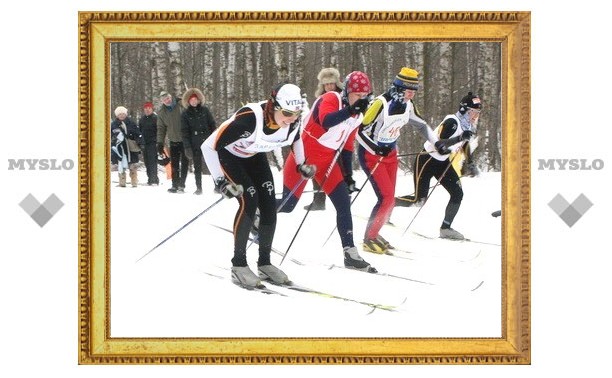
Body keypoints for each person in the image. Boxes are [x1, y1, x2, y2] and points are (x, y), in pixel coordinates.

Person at [202, 83, 315, 288]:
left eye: (296, 113)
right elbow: (208, 146)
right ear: (274, 106)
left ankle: (264, 263)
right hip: (230, 157)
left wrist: (301, 164)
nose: (291, 119)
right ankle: (239, 265)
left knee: (270, 205)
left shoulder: (293, 121)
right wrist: (220, 181)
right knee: (250, 200)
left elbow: (296, 138)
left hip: (254, 156)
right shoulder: (249, 119)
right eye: (287, 113)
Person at [277, 71, 377, 273]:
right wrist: (351, 110)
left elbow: (347, 144)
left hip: (327, 163)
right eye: (357, 94)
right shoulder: (331, 98)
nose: (361, 98)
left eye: (364, 95)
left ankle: (350, 253)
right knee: (288, 205)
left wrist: (348, 175)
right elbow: (326, 120)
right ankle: (257, 211)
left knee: (343, 203)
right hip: (303, 158)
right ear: (348, 90)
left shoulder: (357, 114)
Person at [356, 67, 440, 254]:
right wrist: (376, 148)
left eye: (414, 91)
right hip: (371, 155)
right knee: (385, 198)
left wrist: (437, 143)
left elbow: (421, 125)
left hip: (391, 155)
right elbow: (359, 130)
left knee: (390, 200)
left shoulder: (408, 105)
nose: (411, 95)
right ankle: (368, 239)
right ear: (399, 88)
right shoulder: (381, 103)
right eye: (409, 91)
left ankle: (375, 233)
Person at [395, 92, 482, 240]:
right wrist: (460, 137)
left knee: (457, 194)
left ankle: (446, 229)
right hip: (427, 160)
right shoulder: (452, 122)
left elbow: (465, 145)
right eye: (473, 112)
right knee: (419, 200)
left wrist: (470, 162)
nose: (476, 116)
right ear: (464, 110)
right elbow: (440, 144)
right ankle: (388, 204)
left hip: (443, 163)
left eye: (478, 113)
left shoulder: (467, 125)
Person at [302, 67, 344, 212]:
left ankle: (343, 199)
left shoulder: (341, 98)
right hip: (322, 141)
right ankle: (319, 201)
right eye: (326, 85)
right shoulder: (321, 99)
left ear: (336, 84)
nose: (329, 87)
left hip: (338, 141)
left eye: (331, 84)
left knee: (340, 169)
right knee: (317, 170)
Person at [181, 87, 216, 195]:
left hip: (208, 142)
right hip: (194, 144)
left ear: (199, 100)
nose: (194, 101)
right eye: (191, 100)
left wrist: (215, 138)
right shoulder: (185, 114)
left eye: (195, 99)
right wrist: (187, 147)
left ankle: (218, 185)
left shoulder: (205, 110)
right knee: (197, 167)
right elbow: (184, 132)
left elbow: (212, 124)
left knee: (212, 165)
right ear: (188, 101)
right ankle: (199, 187)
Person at [156, 91, 188, 193]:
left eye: (168, 98)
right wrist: (160, 143)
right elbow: (161, 129)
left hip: (185, 139)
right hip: (173, 141)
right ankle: (175, 184)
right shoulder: (161, 112)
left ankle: (182, 184)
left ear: (171, 97)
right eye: (165, 100)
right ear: (162, 102)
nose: (167, 100)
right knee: (174, 164)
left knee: (184, 163)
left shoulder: (181, 105)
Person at [111, 106, 142, 187]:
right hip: (120, 148)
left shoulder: (131, 123)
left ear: (126, 114)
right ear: (117, 115)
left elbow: (137, 133)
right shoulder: (114, 124)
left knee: (133, 165)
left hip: (131, 147)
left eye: (123, 113)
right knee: (121, 164)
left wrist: (140, 142)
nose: (121, 115)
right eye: (119, 114)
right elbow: (111, 135)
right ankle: (122, 182)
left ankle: (134, 181)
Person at [138, 102, 159, 185]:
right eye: (146, 109)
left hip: (153, 143)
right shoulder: (142, 119)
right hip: (144, 143)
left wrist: (158, 141)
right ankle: (150, 178)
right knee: (146, 161)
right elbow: (139, 131)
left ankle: (154, 179)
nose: (147, 110)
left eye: (149, 108)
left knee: (152, 161)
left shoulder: (155, 118)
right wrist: (140, 142)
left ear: (152, 109)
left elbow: (159, 131)